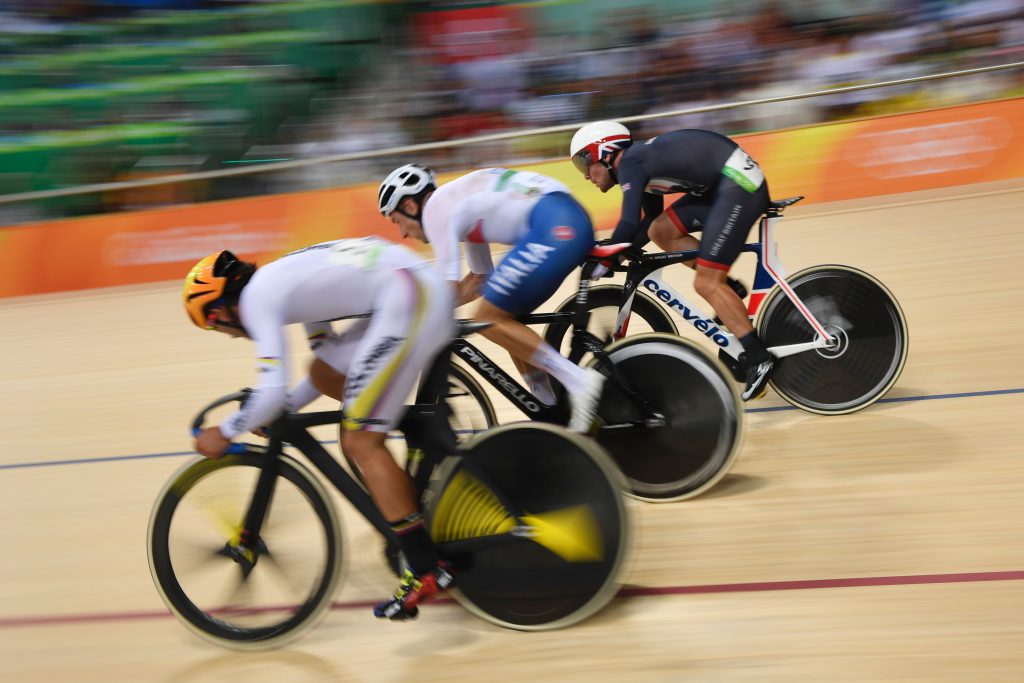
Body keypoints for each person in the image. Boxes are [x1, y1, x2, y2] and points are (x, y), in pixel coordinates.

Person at [182, 237, 456, 622]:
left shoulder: (258, 300)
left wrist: (225, 431)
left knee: (360, 441)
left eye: (212, 323)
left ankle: (426, 567)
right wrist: (284, 407)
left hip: (409, 298)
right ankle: (416, 457)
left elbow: (271, 387)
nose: (225, 333)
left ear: (222, 305)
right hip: (411, 288)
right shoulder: (282, 281)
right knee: (325, 374)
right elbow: (326, 357)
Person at [377, 164, 603, 432]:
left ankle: (579, 381)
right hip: (563, 217)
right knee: (503, 314)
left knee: (488, 319)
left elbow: (445, 290)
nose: (402, 233)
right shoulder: (459, 206)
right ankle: (549, 408)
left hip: (555, 224)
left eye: (396, 220)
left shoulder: (436, 210)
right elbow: (479, 280)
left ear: (410, 207)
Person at [569, 120, 774, 401]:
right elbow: (647, 225)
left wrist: (606, 257)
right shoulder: (638, 164)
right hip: (721, 186)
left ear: (605, 152)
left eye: (584, 165)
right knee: (661, 230)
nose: (585, 176)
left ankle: (759, 357)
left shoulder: (630, 162)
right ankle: (730, 290)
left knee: (706, 283)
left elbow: (628, 222)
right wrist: (619, 250)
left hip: (739, 185)